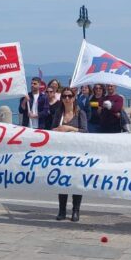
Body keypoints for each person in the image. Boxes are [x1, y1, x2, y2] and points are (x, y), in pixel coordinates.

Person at [52, 88, 88, 222]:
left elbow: (85, 131)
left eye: (69, 96)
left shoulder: (80, 113)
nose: (67, 98)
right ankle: (62, 210)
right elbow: (52, 129)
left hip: (77, 153)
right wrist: (58, 130)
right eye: (64, 96)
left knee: (76, 182)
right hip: (62, 152)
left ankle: (75, 210)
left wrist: (69, 128)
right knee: (62, 181)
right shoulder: (58, 113)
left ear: (74, 98)